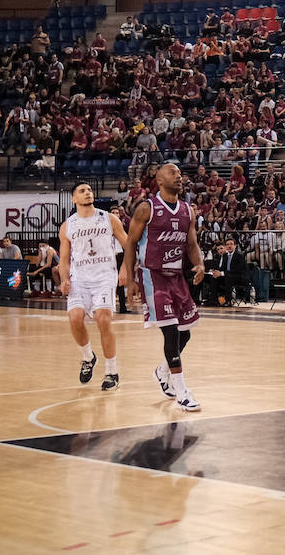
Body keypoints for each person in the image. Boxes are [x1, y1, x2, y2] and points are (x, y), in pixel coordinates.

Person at [123, 162, 206, 412]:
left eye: (180, 174)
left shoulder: (186, 211)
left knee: (185, 333)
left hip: (177, 277)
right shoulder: (147, 209)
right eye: (173, 173)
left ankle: (162, 370)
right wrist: (130, 280)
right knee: (170, 333)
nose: (179, 177)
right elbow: (130, 243)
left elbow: (191, 244)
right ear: (159, 180)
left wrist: (200, 264)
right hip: (153, 276)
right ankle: (182, 392)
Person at [58, 181, 130, 392]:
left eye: (89, 190)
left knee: (103, 319)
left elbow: (129, 246)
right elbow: (63, 259)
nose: (87, 193)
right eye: (82, 191)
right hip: (79, 277)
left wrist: (124, 269)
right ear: (74, 199)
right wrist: (64, 279)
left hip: (104, 276)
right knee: (74, 318)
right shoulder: (67, 225)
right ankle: (88, 357)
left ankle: (111, 372)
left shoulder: (109, 218)